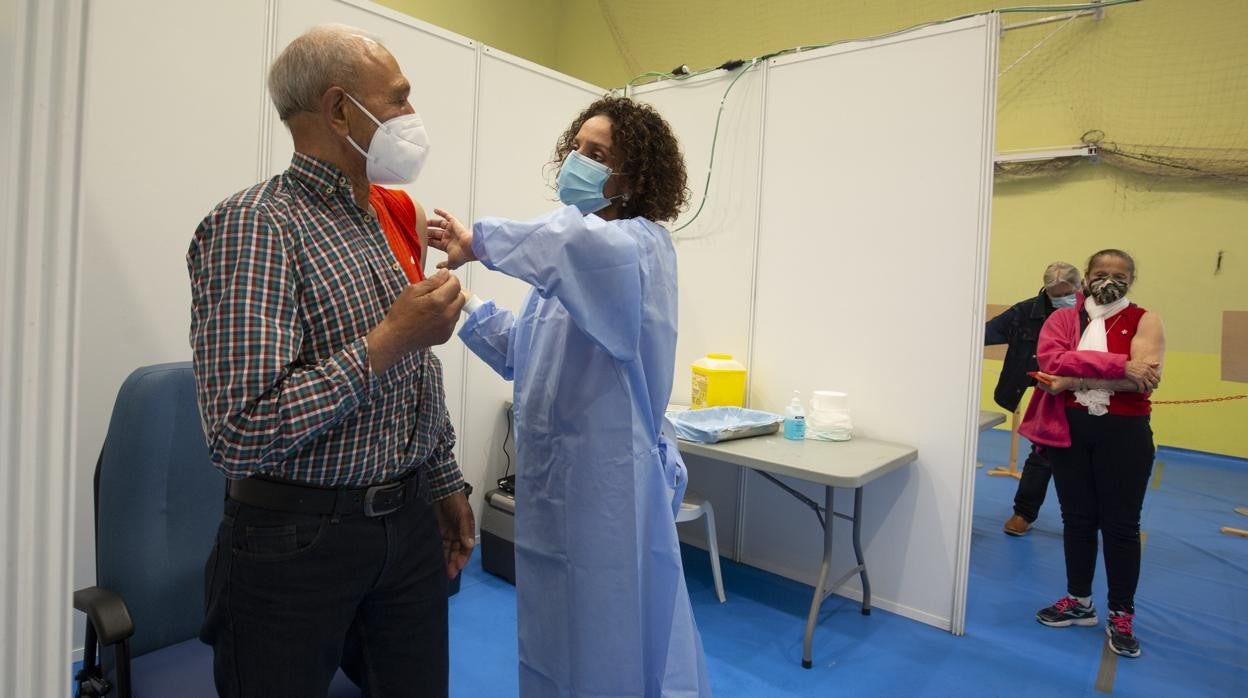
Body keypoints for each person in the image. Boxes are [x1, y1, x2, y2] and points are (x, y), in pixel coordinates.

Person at [187, 25, 473, 697]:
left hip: (404, 528)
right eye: (399, 100)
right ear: (341, 111)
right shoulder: (255, 225)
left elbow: (412, 375)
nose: (411, 118)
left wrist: (443, 479)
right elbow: (239, 432)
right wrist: (389, 340)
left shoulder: (378, 218)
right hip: (295, 543)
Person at [428, 96, 711, 697]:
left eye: (597, 154)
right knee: (553, 634)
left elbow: (564, 245)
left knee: (606, 635)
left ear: (632, 179)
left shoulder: (638, 248)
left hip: (609, 489)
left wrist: (476, 239)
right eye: (576, 148)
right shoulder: (569, 276)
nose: (576, 163)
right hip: (557, 487)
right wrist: (466, 305)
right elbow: (525, 353)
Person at [1020, 249, 1165, 659]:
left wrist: (1072, 379)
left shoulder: (1145, 319)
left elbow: (1145, 381)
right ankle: (1079, 600)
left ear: (1132, 279)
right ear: (1087, 276)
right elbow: (1051, 365)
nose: (1109, 280)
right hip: (1071, 431)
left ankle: (1121, 612)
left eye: (1119, 274)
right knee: (1077, 519)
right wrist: (1121, 365)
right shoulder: (1064, 319)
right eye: (1101, 273)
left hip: (1124, 435)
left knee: (1120, 525)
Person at [985, 262, 1081, 536]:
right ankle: (1023, 513)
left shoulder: (1094, 313)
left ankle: (1084, 520)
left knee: (1089, 461)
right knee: (1042, 455)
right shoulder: (1027, 312)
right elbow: (984, 332)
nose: (1061, 298)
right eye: (1054, 293)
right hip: (1050, 395)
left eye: (1066, 292)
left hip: (1090, 394)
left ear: (1079, 286)